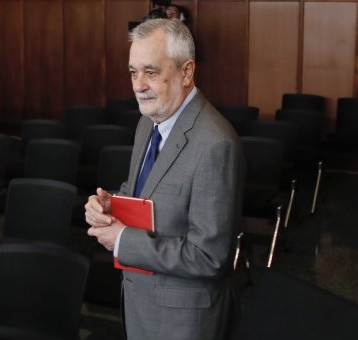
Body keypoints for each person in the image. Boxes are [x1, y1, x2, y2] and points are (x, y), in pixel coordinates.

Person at [85, 19, 244, 340]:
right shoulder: (149, 121)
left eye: (151, 72)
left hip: (183, 318)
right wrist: (108, 204)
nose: (138, 85)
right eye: (133, 72)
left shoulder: (216, 144)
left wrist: (123, 241)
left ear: (187, 72)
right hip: (141, 299)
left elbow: (210, 257)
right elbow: (145, 191)